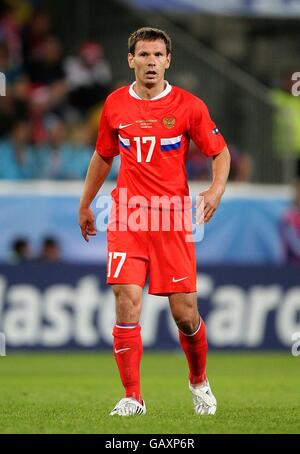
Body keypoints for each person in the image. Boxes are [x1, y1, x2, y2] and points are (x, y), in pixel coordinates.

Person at [78, 27, 231, 416]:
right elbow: (103, 156)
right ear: (130, 60)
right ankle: (133, 396)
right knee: (126, 301)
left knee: (185, 313)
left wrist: (215, 191)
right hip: (127, 217)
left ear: (168, 60)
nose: (150, 62)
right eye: (143, 55)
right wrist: (85, 203)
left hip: (172, 220)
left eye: (157, 55)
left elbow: (220, 152)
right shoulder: (114, 105)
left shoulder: (189, 106)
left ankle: (199, 382)